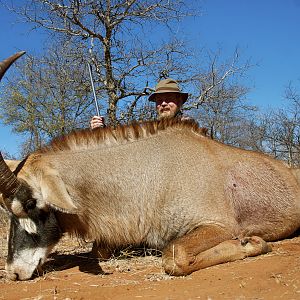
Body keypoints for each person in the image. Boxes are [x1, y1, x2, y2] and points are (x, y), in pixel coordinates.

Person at [89, 78, 190, 129]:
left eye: (169, 98)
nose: (163, 103)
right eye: (159, 100)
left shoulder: (190, 129)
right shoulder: (149, 130)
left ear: (180, 101)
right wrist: (102, 131)